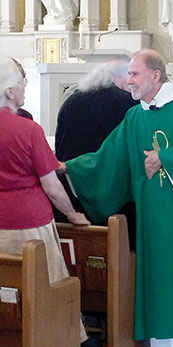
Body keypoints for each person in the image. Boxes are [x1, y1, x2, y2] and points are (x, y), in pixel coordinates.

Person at [57, 48, 173, 346]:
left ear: (156, 75)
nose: (128, 81)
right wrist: (69, 167)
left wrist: (165, 158)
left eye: (134, 74)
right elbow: (108, 160)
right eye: (128, 74)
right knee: (161, 289)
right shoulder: (135, 116)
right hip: (155, 223)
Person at [0, 57, 89, 344]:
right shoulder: (28, 130)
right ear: (9, 92)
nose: (25, 86)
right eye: (20, 81)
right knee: (44, 289)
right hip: (29, 226)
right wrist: (74, 215)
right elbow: (51, 186)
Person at [55, 61, 139, 250]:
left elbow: (60, 147)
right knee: (121, 251)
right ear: (121, 78)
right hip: (117, 195)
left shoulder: (71, 101)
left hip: (74, 189)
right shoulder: (131, 104)